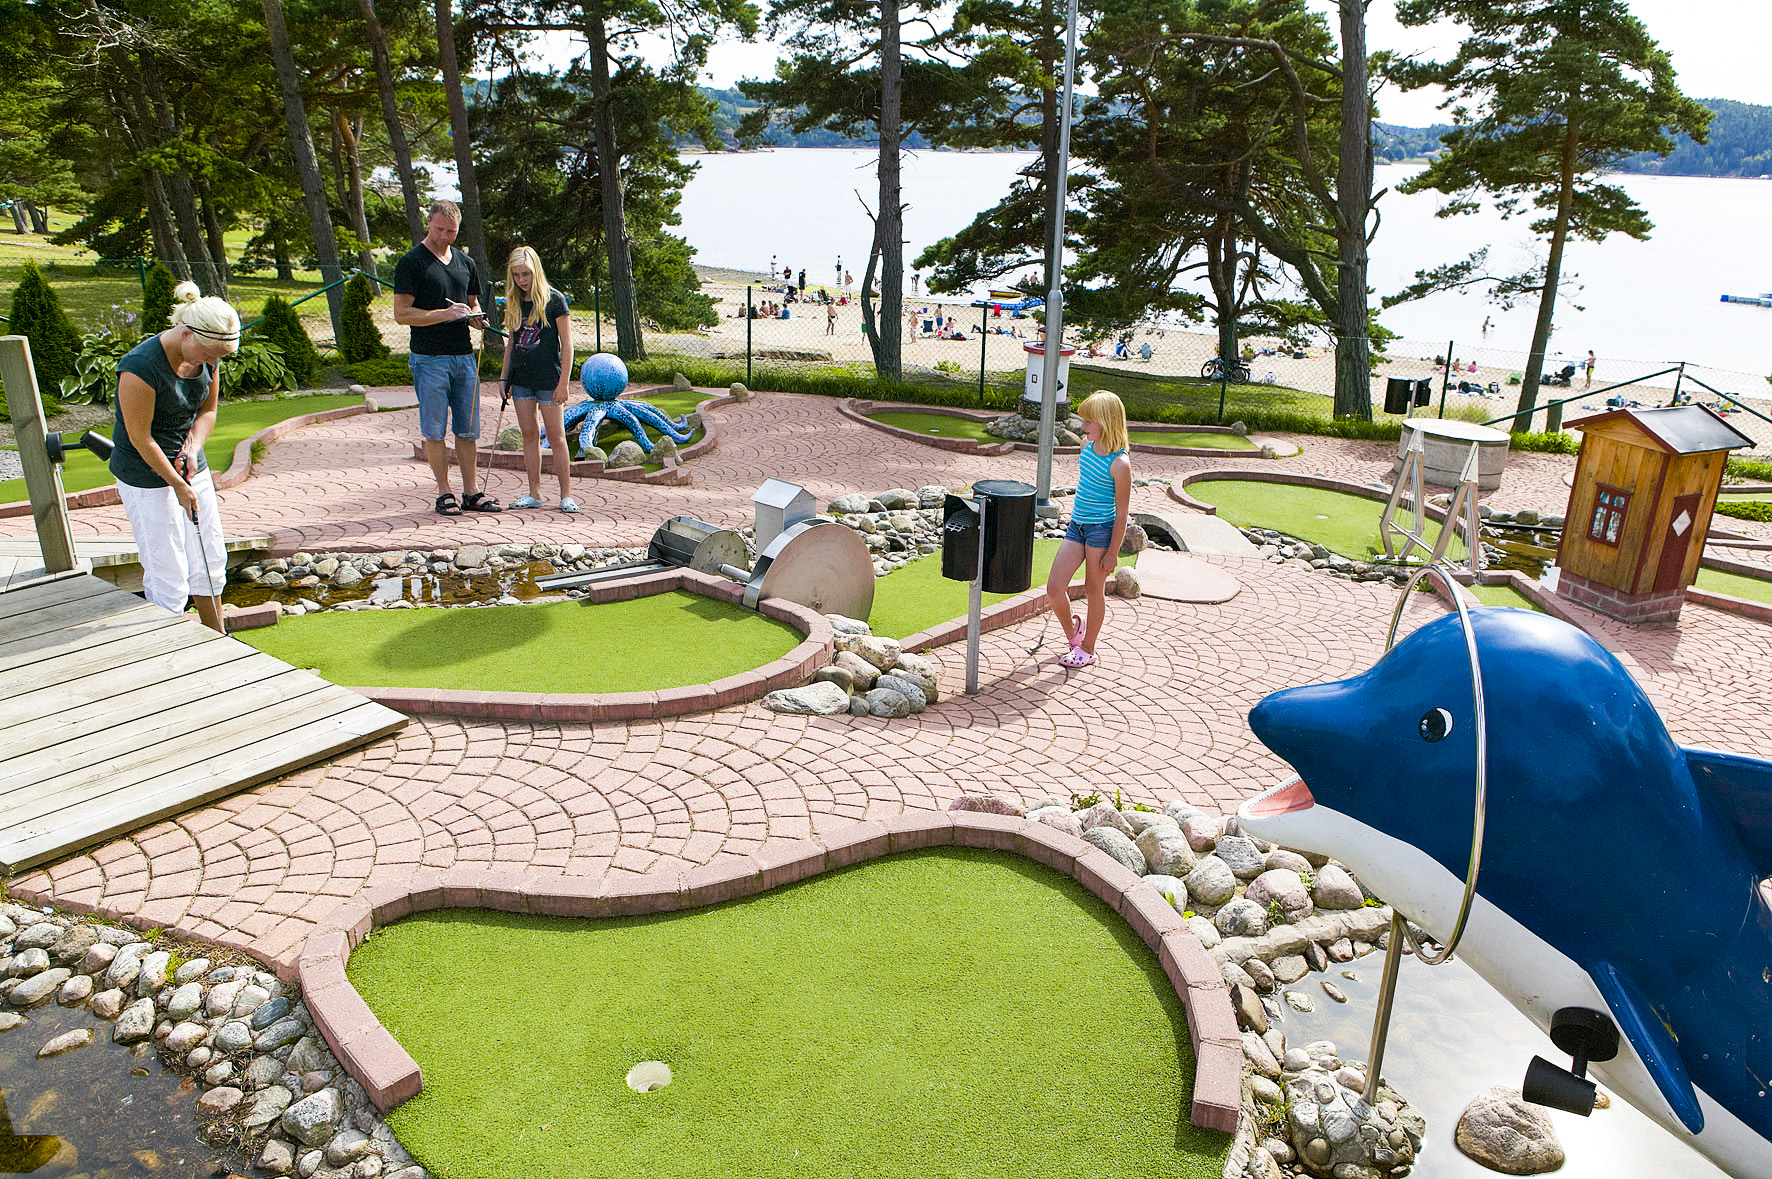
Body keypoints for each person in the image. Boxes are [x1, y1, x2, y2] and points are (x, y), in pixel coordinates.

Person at [110, 281, 240, 634]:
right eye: (208, 354)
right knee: (167, 569)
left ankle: (218, 638)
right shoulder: (140, 368)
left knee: (209, 555)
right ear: (186, 334)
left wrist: (192, 449)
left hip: (189, 466)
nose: (212, 363)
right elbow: (140, 437)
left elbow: (208, 412)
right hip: (145, 474)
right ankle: (170, 649)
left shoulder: (208, 357)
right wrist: (177, 486)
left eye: (217, 358)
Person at [394, 200, 500, 515]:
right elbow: (402, 314)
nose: (444, 236)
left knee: (467, 430)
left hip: (464, 358)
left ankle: (471, 492)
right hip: (429, 359)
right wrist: (444, 314)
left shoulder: (466, 263)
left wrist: (476, 318)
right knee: (434, 430)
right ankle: (444, 493)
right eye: (439, 229)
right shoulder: (411, 262)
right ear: (429, 223)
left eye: (451, 232)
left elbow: (472, 303)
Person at [1045, 391, 1131, 670]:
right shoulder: (1086, 447)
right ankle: (1074, 636)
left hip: (1101, 532)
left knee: (1094, 591)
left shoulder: (1120, 464)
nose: (1082, 427)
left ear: (1106, 422)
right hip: (1077, 527)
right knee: (1055, 587)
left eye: (1088, 421)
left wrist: (1113, 552)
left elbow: (1121, 513)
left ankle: (1088, 649)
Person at [498, 246, 576, 514]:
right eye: (516, 274)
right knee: (529, 435)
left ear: (535, 271)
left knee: (556, 436)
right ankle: (534, 493)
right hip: (521, 378)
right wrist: (504, 377)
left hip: (549, 379)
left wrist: (563, 382)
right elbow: (511, 344)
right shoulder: (514, 301)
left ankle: (566, 495)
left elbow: (567, 344)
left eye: (526, 274)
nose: (521, 280)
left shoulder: (555, 300)